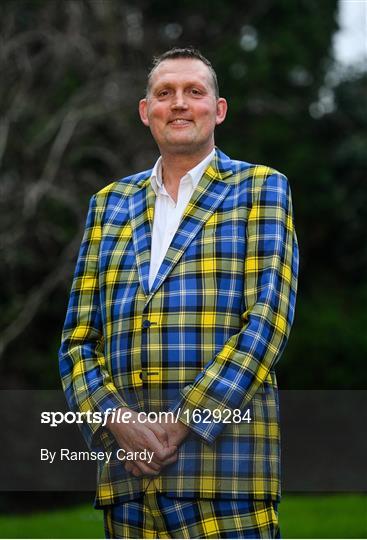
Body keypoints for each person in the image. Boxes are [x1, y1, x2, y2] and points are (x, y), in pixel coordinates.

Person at [59, 47, 299, 539]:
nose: (180, 103)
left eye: (195, 91)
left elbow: (267, 321)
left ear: (219, 109)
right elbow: (78, 341)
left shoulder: (260, 189)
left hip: (225, 476)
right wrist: (117, 422)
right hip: (128, 480)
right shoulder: (109, 204)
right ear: (147, 111)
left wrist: (183, 420)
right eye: (164, 93)